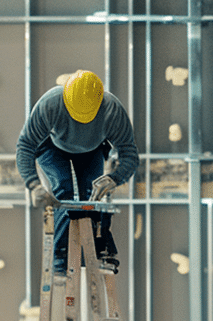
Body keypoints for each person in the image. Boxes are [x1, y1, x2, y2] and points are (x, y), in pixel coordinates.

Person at [16, 70, 138, 274]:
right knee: (63, 190)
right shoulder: (50, 104)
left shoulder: (112, 109)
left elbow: (130, 154)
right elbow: (25, 145)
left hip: (92, 149)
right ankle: (61, 257)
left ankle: (98, 247)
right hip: (52, 148)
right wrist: (34, 184)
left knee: (91, 197)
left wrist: (114, 179)